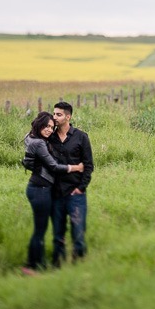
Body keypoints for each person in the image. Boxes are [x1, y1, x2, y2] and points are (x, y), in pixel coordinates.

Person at [21, 111, 84, 275]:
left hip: (39, 189)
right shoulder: (39, 144)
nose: (49, 130)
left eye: (52, 127)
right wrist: (75, 167)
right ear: (39, 124)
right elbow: (54, 167)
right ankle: (32, 266)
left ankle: (38, 263)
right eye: (46, 126)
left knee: (41, 229)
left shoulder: (34, 139)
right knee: (40, 230)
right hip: (40, 190)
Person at [48, 101, 94, 265]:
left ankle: (79, 264)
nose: (55, 117)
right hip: (56, 193)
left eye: (58, 114)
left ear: (68, 116)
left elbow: (88, 166)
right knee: (58, 234)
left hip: (75, 193)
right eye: (54, 114)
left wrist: (81, 188)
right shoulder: (49, 137)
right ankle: (57, 266)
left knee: (78, 232)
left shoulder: (81, 137)